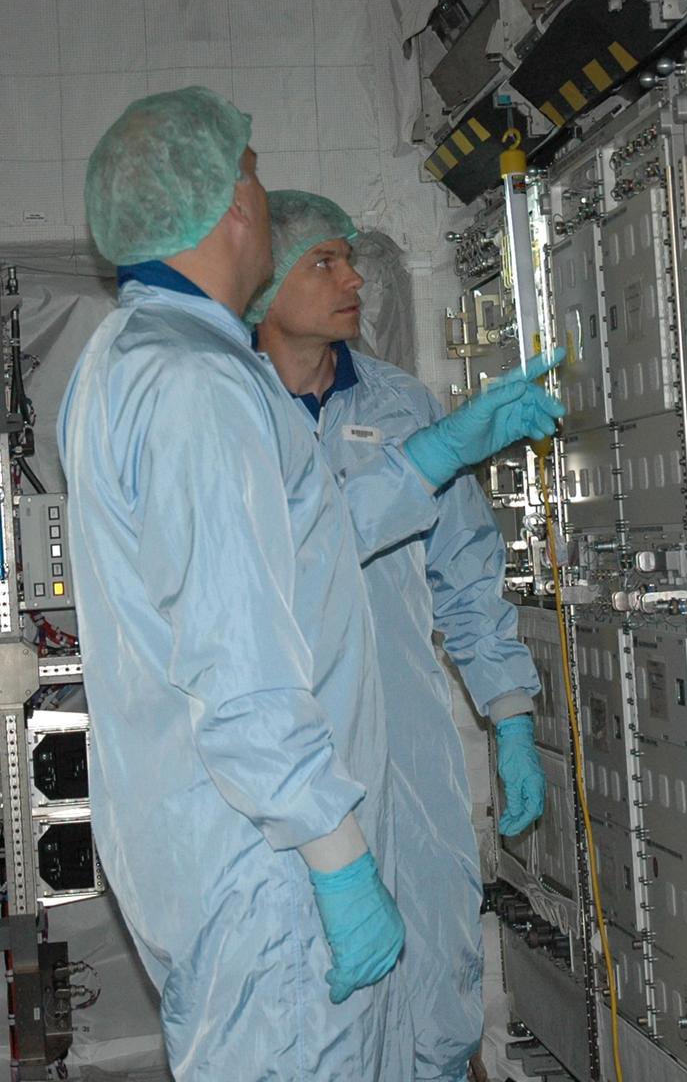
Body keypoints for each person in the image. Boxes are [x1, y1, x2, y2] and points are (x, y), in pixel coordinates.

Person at [57, 87, 565, 1081]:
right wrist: (334, 856)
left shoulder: (143, 357)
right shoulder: (199, 387)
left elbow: (305, 543)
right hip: (272, 867)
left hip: (242, 855)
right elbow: (237, 649)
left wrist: (438, 451)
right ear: (232, 207)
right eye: (250, 168)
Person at [249, 190, 552, 1082]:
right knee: (312, 992)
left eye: (352, 259)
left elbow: (464, 575)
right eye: (325, 263)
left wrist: (511, 718)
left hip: (408, 748)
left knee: (434, 971)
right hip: (289, 749)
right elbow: (285, 568)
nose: (354, 280)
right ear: (264, 286)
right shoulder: (229, 415)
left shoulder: (400, 402)